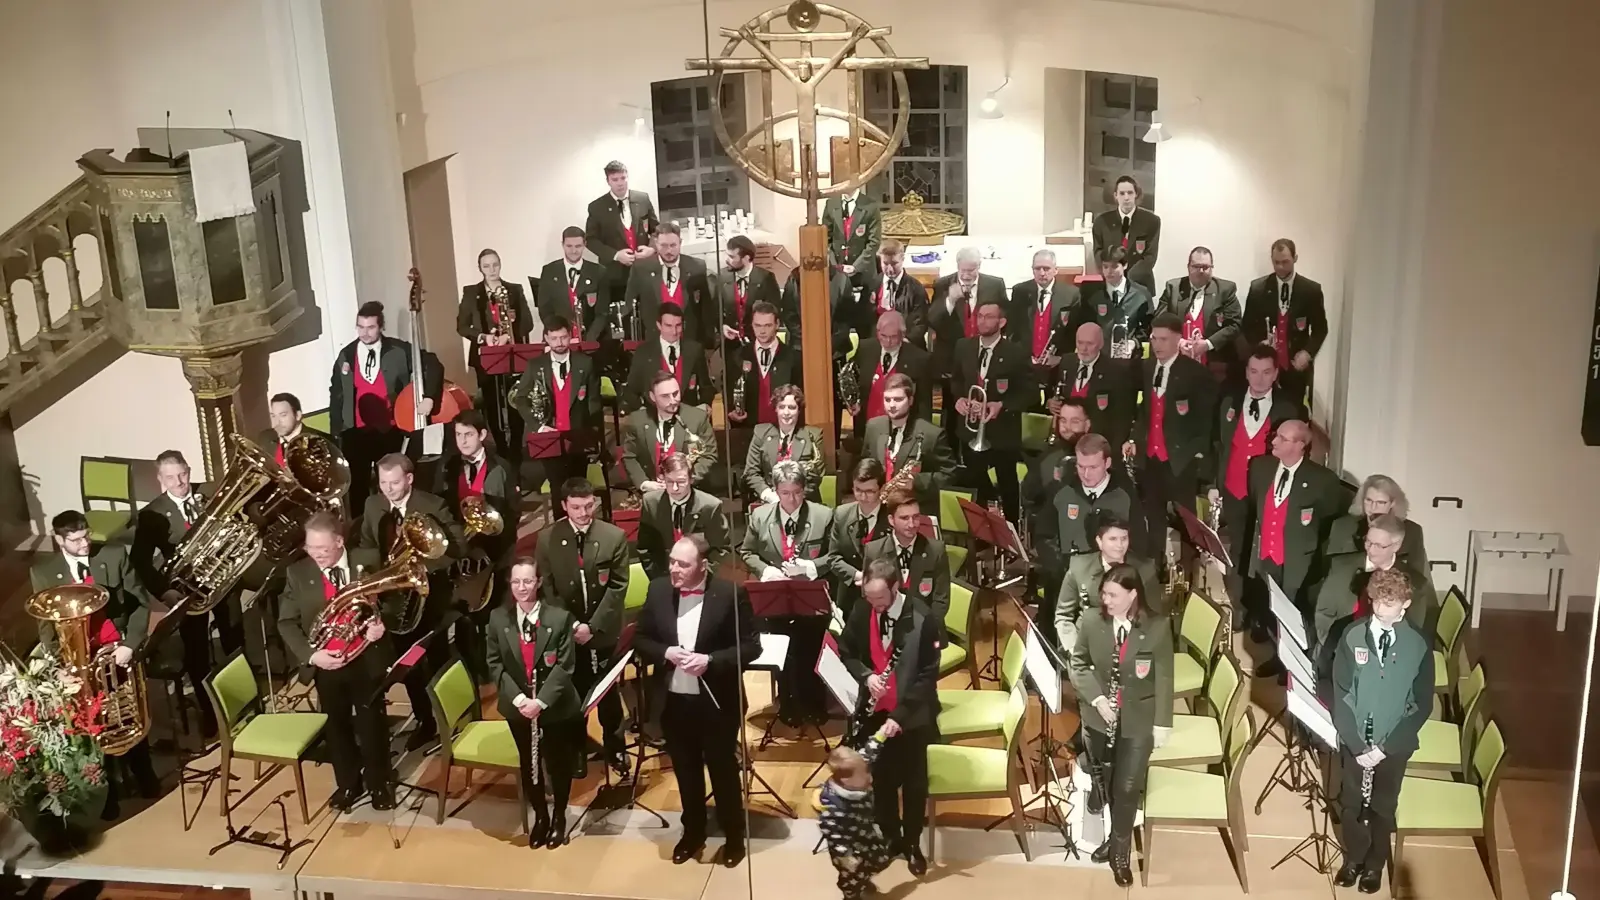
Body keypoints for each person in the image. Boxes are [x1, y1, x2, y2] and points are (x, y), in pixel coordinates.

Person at [634, 535, 757, 867]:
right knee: (686, 772)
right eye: (672, 561)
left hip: (716, 702)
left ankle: (733, 837)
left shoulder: (731, 594)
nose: (674, 569)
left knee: (723, 771)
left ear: (703, 566)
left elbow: (750, 647)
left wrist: (711, 660)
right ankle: (693, 833)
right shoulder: (659, 590)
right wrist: (665, 651)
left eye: (682, 564)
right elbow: (641, 639)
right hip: (674, 702)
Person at [33, 510, 158, 818]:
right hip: (77, 661)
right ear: (60, 540)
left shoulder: (114, 555)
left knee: (126, 717)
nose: (85, 544)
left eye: (86, 536)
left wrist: (130, 645)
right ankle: (108, 793)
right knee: (92, 727)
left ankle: (145, 776)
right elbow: (47, 629)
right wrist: (58, 666)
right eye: (76, 541)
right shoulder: (44, 571)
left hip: (116, 650)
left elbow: (141, 602)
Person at [277, 511, 393, 811]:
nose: (317, 556)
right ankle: (348, 784)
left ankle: (380, 784)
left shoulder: (367, 560)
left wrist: (381, 624)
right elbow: (286, 622)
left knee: (372, 724)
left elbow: (394, 600)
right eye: (311, 549)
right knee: (337, 727)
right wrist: (313, 656)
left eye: (323, 550)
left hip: (366, 658)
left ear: (339, 542)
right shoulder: (298, 573)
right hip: (327, 664)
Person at [1069, 563, 1173, 886]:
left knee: (1127, 789)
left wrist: (1162, 723)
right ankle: (1115, 839)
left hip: (1139, 722)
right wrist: (1098, 700)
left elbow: (1165, 678)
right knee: (1109, 786)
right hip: (1099, 721)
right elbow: (1078, 663)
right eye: (1104, 594)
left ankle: (1120, 855)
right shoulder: (1090, 621)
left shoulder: (1156, 627)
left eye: (1113, 595)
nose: (1107, 601)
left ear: (1133, 595)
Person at [1331, 568, 1434, 895]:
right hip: (1356, 740)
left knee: (1383, 806)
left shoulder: (1418, 644)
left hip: (1394, 743)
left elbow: (1422, 703)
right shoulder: (1351, 636)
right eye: (1377, 603)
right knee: (1350, 804)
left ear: (1405, 605)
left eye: (1390, 606)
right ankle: (1354, 858)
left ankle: (1375, 865)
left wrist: (1385, 748)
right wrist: (1358, 745)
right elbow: (1340, 691)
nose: (1381, 611)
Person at [839, 557, 941, 877]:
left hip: (912, 716)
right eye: (869, 598)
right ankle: (891, 838)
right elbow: (847, 651)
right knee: (881, 781)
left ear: (896, 588)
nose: (875, 606)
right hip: (874, 712)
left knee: (914, 784)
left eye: (880, 599)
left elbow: (927, 675)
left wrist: (900, 715)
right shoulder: (861, 610)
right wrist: (866, 675)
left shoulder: (924, 618)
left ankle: (912, 843)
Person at [356, 452, 464, 751]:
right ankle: (425, 721)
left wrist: (418, 571)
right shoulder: (373, 505)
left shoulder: (433, 504)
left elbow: (456, 547)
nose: (388, 489)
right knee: (408, 663)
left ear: (410, 479)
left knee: (438, 659)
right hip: (393, 598)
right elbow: (366, 546)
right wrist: (372, 578)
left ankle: (451, 718)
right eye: (383, 483)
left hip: (430, 597)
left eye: (394, 482)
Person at [129, 449, 239, 736]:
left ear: (189, 470)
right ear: (160, 479)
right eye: (170, 477)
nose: (179, 482)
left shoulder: (212, 492)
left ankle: (243, 702)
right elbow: (140, 561)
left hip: (223, 580)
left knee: (234, 641)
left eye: (183, 474)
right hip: (186, 591)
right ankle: (212, 713)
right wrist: (165, 593)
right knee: (198, 654)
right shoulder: (152, 514)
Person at [534, 478, 631, 778]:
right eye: (576, 507)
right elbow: (547, 589)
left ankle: (615, 746)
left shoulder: (613, 536)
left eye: (589, 505)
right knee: (573, 694)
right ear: (564, 506)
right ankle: (577, 750)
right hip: (568, 633)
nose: (584, 512)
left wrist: (594, 625)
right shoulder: (547, 539)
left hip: (603, 630)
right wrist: (573, 625)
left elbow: (618, 586)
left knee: (608, 694)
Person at [1206, 345, 1306, 628]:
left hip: (1269, 493)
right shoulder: (1229, 401)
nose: (1259, 379)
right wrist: (1215, 484)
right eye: (1253, 371)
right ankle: (1240, 609)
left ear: (1275, 374)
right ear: (1246, 372)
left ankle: (1262, 616)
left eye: (1266, 372)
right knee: (1238, 550)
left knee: (1264, 555)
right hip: (1234, 488)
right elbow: (1219, 445)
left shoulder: (1288, 407)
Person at [485, 556, 581, 848]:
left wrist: (540, 703)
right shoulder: (497, 619)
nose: (522, 587)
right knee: (530, 765)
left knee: (558, 763)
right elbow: (494, 664)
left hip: (555, 708)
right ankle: (540, 815)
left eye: (528, 581)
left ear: (538, 582)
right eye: (516, 581)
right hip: (518, 708)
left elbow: (565, 666)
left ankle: (560, 816)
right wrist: (519, 699)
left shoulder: (559, 618)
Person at [1241, 419, 1343, 672]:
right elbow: (1256, 510)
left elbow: (1328, 526)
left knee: (1293, 617)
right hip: (1266, 556)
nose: (1273, 441)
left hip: (1298, 563)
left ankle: (1292, 666)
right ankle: (1277, 657)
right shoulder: (1260, 468)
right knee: (1269, 608)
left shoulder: (1323, 480)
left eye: (1282, 438)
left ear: (1300, 445)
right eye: (1276, 436)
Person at [741, 460, 835, 725]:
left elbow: (835, 556)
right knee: (784, 653)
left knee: (810, 651)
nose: (791, 499)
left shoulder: (823, 516)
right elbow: (747, 552)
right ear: (775, 490)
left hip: (810, 601)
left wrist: (811, 566)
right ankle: (788, 704)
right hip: (774, 601)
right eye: (785, 493)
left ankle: (815, 704)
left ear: (804, 490)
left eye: (797, 492)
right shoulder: (760, 516)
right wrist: (765, 571)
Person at [329, 300, 442, 504]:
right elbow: (336, 393)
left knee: (392, 487)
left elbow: (433, 364)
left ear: (381, 327)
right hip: (355, 434)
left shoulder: (398, 350)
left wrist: (429, 397)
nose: (365, 333)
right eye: (360, 327)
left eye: (371, 327)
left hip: (389, 432)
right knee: (357, 491)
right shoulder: (346, 354)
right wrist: (336, 432)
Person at [434, 409, 518, 684]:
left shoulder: (500, 468)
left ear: (482, 435)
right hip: (463, 554)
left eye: (469, 435)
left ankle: (499, 668)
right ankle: (473, 671)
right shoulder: (449, 467)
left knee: (493, 614)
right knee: (464, 617)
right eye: (458, 435)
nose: (463, 441)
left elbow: (511, 513)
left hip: (495, 553)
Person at [1123, 312, 1217, 551]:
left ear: (1178, 339)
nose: (1157, 345)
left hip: (1181, 460)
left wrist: (1197, 452)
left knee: (1186, 519)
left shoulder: (1196, 374)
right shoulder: (1147, 368)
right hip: (1151, 459)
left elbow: (1206, 419)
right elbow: (1145, 409)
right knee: (1153, 518)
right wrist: (1136, 437)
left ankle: (1189, 573)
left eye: (1163, 339)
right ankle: (1155, 571)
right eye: (1154, 339)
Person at [1312, 514, 1439, 672]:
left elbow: (1409, 636)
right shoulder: (1340, 566)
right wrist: (1341, 650)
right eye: (1368, 542)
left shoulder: (1415, 585)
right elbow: (1324, 613)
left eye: (1379, 545)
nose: (1371, 550)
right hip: (1335, 652)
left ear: (1396, 545)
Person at [951, 297, 1034, 519]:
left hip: (1003, 431)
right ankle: (982, 527)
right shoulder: (963, 346)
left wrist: (1002, 405)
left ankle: (1012, 530)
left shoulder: (1016, 352)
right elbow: (956, 380)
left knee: (1007, 481)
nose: (982, 321)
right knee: (974, 479)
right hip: (970, 429)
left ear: (1002, 322)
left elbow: (1030, 392)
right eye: (979, 316)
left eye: (989, 317)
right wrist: (959, 398)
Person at [511, 314, 602, 507]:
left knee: (579, 487)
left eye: (563, 337)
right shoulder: (535, 365)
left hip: (578, 436)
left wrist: (592, 433)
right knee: (557, 486)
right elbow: (520, 398)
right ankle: (562, 529)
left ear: (570, 336)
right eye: (553, 338)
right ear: (545, 338)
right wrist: (539, 426)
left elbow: (594, 401)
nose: (559, 342)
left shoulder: (585, 363)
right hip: (548, 437)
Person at [458, 247, 536, 451]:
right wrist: (484, 337)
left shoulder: (515, 289)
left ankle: (517, 447)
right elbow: (462, 326)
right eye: (486, 266)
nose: (491, 269)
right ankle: (500, 448)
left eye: (495, 265)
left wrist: (513, 323)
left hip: (512, 353)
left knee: (515, 400)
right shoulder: (471, 292)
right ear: (480, 269)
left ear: (500, 265)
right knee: (492, 403)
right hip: (486, 356)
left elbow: (528, 324)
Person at [1054, 518, 1163, 657]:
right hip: (1087, 645)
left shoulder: (1145, 570)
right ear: (1099, 541)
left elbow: (1154, 618)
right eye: (1113, 539)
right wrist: (1075, 649)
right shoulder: (1078, 567)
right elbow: (1063, 616)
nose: (1120, 545)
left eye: (1124, 538)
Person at [1241, 238, 1327, 409]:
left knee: (1294, 415)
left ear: (1295, 258)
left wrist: (1307, 353)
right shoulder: (1258, 288)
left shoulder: (1311, 290)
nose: (1280, 267)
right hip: (1266, 368)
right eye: (1276, 262)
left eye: (1285, 262)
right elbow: (1247, 326)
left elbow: (1320, 329)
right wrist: (1260, 344)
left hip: (1296, 369)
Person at [928, 247, 1007, 426]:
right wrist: (950, 300)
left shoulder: (995, 285)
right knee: (952, 410)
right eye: (963, 270)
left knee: (983, 405)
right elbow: (932, 320)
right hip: (952, 359)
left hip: (985, 355)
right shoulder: (943, 284)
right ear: (957, 266)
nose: (966, 275)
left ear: (979, 266)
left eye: (971, 270)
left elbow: (1004, 318)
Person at [857, 374, 953, 511]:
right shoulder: (873, 427)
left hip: (914, 511)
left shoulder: (932, 434)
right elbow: (865, 463)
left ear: (910, 400)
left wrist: (916, 482)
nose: (892, 405)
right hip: (879, 508)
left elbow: (949, 475)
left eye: (898, 399)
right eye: (887, 400)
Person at [729, 307, 806, 469]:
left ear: (777, 324)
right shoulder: (739, 356)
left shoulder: (793, 357)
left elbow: (800, 396)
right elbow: (729, 387)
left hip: (783, 430)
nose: (762, 331)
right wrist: (732, 411)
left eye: (767, 325)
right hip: (748, 430)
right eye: (757, 325)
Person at [820, 736, 896, 900]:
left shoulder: (857, 767)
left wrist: (882, 734)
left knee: (880, 859)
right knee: (853, 876)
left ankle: (865, 877)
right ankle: (852, 895)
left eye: (867, 770)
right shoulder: (835, 807)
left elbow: (868, 752)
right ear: (846, 780)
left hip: (866, 833)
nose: (869, 777)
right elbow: (832, 833)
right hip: (848, 847)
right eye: (863, 774)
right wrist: (846, 856)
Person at [639, 453, 732, 580]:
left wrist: (700, 577)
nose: (675, 488)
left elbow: (721, 550)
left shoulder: (710, 506)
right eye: (670, 482)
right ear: (662, 479)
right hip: (663, 577)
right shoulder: (650, 503)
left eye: (681, 482)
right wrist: (659, 578)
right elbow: (645, 548)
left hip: (700, 578)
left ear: (691, 479)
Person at [621, 370, 717, 491]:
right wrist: (644, 483)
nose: (673, 400)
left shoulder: (697, 418)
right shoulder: (637, 421)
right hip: (653, 492)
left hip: (691, 490)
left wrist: (686, 480)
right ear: (652, 397)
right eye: (665, 396)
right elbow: (629, 457)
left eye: (676, 393)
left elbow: (709, 455)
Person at [584, 160, 659, 317]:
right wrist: (616, 255)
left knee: (649, 315)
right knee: (621, 319)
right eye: (615, 180)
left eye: (623, 178)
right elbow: (591, 240)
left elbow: (656, 230)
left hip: (645, 270)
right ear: (608, 181)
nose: (620, 183)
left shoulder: (642, 199)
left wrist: (651, 249)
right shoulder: (597, 207)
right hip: (615, 274)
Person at [863, 491, 950, 622]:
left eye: (916, 517)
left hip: (926, 628)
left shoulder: (936, 550)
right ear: (891, 520)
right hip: (887, 627)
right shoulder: (873, 551)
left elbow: (941, 600)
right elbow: (868, 596)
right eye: (904, 518)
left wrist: (924, 630)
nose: (912, 524)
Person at [1154, 247, 1241, 375]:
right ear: (1188, 267)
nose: (1201, 271)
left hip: (1213, 363)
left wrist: (1207, 344)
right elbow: (1159, 321)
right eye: (1196, 266)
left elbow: (1235, 325)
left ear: (1212, 268)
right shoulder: (1173, 288)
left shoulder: (1225, 290)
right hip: (1176, 362)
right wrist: (1178, 343)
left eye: (1205, 267)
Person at [1049, 323, 1135, 450]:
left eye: (1089, 344)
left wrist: (1112, 450)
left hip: (1097, 444)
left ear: (1100, 344)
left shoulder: (1116, 371)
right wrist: (1053, 403)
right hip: (1065, 442)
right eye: (1080, 343)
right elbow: (1061, 395)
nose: (1083, 349)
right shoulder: (1067, 362)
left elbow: (1123, 417)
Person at [1324, 474, 1430, 576]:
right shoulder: (1342, 526)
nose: (1373, 507)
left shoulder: (1412, 531)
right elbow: (1329, 569)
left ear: (1392, 504)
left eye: (1380, 502)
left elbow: (1417, 576)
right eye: (1369, 500)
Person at [625, 223, 712, 346]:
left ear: (680, 242)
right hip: (654, 344)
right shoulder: (640, 268)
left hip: (689, 342)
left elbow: (706, 309)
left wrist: (708, 344)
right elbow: (629, 306)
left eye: (673, 245)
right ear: (656, 243)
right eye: (664, 246)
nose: (669, 251)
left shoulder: (697, 267)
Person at [622, 301, 715, 412]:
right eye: (668, 326)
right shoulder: (644, 352)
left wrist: (705, 405)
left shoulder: (695, 350)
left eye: (678, 326)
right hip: (655, 421)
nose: (674, 332)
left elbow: (707, 387)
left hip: (688, 419)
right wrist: (643, 412)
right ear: (659, 325)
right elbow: (630, 391)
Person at [847, 311, 933, 430]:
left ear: (902, 335)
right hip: (867, 429)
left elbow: (924, 404)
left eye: (893, 337)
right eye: (883, 336)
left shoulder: (919, 359)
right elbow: (852, 381)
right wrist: (852, 402)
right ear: (877, 333)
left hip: (903, 430)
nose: (888, 341)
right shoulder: (865, 348)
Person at [826, 459, 888, 621]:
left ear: (881, 489)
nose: (863, 496)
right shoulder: (841, 514)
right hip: (849, 599)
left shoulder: (892, 517)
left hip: (883, 600)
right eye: (858, 490)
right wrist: (856, 575)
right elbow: (833, 558)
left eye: (870, 491)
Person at [1006, 249, 1075, 390]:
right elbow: (1013, 328)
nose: (1042, 273)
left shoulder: (1071, 294)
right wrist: (1023, 357)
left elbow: (1073, 331)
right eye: (1037, 268)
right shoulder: (1019, 291)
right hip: (1026, 366)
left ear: (1056, 270)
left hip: (1057, 366)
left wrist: (1061, 358)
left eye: (1046, 268)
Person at [742, 385, 824, 503]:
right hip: (770, 501)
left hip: (804, 501)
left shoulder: (814, 435)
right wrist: (769, 495)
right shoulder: (760, 433)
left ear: (799, 410)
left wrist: (792, 497)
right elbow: (751, 473)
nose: (786, 412)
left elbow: (815, 476)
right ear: (776, 409)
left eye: (791, 407)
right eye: (781, 407)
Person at [1071, 246, 1154, 352]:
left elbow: (1147, 326)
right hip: (1099, 355)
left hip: (1129, 356)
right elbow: (1083, 323)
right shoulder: (1090, 293)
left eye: (1114, 267)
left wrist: (1135, 342)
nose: (1109, 271)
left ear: (1125, 265)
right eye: (1105, 267)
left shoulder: (1141, 294)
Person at [536, 227, 609, 344]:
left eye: (578, 246)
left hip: (590, 341)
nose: (573, 251)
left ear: (585, 244)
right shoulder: (549, 271)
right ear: (562, 244)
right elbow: (545, 309)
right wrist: (560, 335)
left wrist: (589, 340)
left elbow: (602, 313)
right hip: (558, 341)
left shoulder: (599, 272)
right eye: (569, 246)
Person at [1090, 175, 1161, 294]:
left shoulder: (1152, 221)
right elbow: (1098, 253)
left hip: (1140, 286)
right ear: (1115, 196)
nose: (1126, 198)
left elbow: (1150, 257)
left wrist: (1127, 280)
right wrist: (1114, 275)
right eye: (1122, 193)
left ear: (1136, 194)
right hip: (1111, 285)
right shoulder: (1101, 222)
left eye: (1130, 193)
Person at [852, 240, 929, 344]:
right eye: (885, 263)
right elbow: (862, 318)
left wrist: (903, 342)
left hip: (906, 344)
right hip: (876, 343)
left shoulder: (916, 289)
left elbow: (920, 324)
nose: (890, 269)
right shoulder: (871, 285)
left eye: (894, 264)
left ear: (902, 259)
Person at [716, 235, 783, 344]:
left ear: (746, 258)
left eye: (732, 257)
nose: (726, 260)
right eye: (727, 255)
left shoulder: (766, 279)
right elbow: (715, 310)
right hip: (731, 345)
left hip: (758, 343)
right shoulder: (721, 277)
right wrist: (722, 326)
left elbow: (775, 313)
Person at [256, 392, 328, 468]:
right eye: (273, 416)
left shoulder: (321, 443)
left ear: (298, 415)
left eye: (283, 415)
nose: (276, 422)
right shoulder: (265, 438)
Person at [823, 186, 880, 282]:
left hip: (863, 273)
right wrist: (835, 265)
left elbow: (874, 241)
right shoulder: (831, 204)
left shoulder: (871, 206)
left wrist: (856, 267)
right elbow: (825, 239)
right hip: (837, 274)